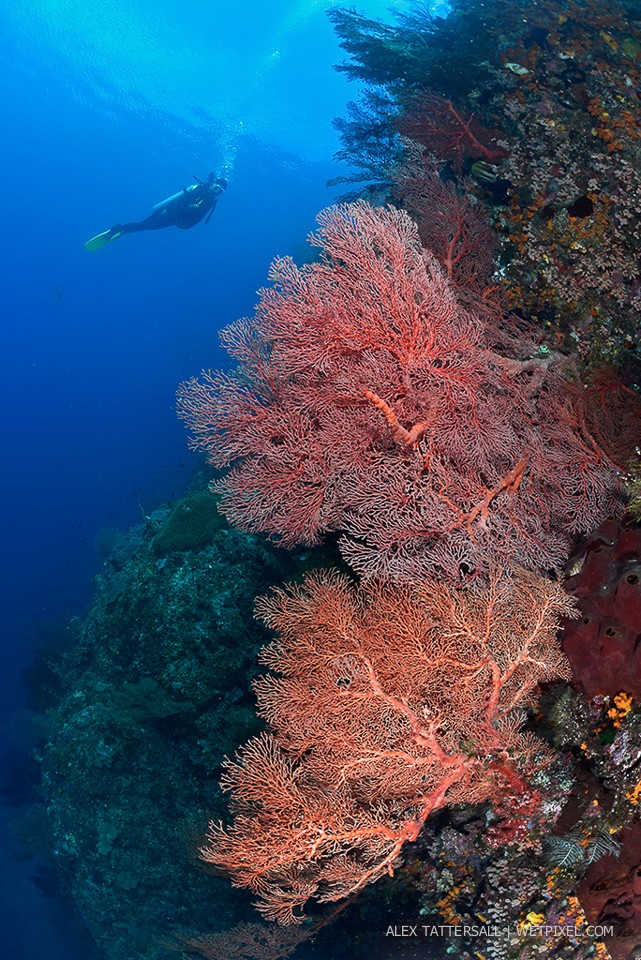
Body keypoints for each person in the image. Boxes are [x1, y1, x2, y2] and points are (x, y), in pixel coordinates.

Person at [84, 174, 227, 251]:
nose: (217, 191)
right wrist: (187, 208)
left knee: (145, 227)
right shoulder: (200, 189)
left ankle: (121, 230)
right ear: (213, 184)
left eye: (220, 191)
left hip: (174, 220)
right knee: (143, 226)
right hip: (168, 212)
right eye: (217, 187)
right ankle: (118, 230)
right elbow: (182, 200)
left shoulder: (211, 202)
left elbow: (199, 218)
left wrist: (185, 224)